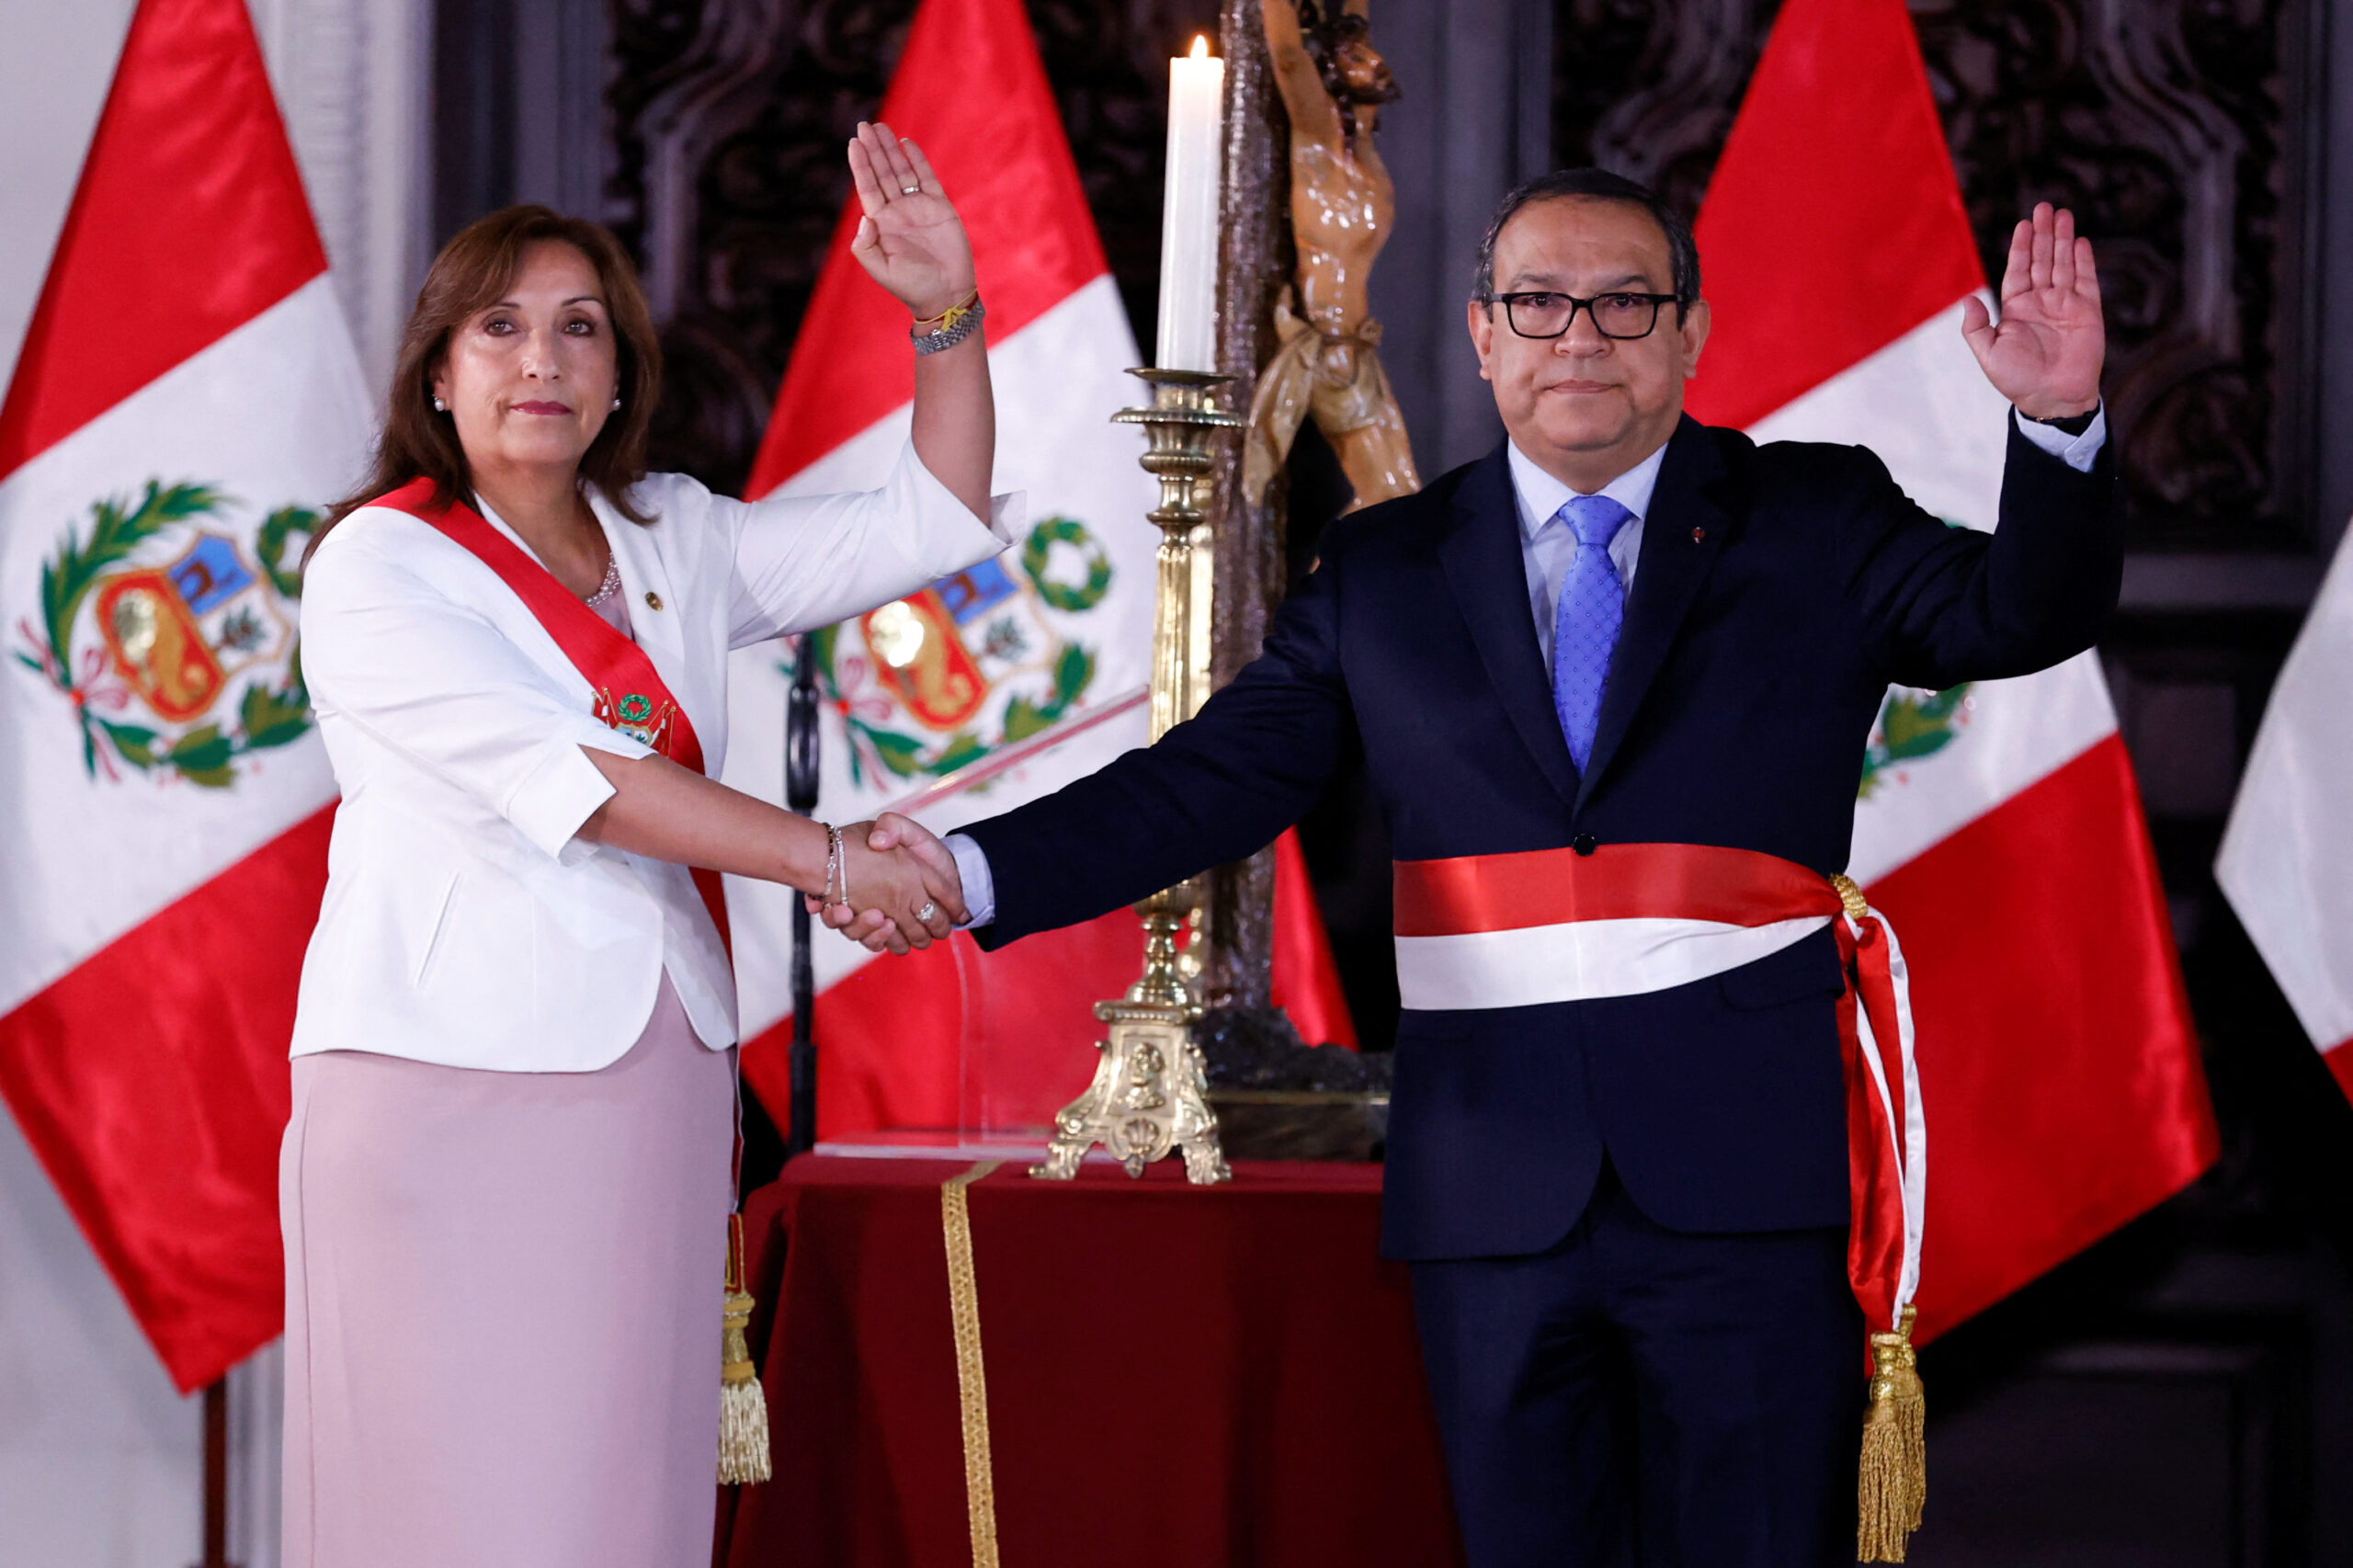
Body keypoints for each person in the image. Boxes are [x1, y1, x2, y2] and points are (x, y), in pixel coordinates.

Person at [842, 170, 2117, 1566]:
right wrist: (967, 869)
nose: (1582, 333)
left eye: (1626, 302)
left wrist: (2054, 423)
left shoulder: (1813, 516)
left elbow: (2020, 611)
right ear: (1482, 333)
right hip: (1490, 1194)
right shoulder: (1383, 567)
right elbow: (1212, 780)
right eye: (1540, 302)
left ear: (1689, 333)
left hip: (1746, 1177)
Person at [281, 123, 987, 1568]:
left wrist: (943, 313)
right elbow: (584, 782)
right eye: (501, 328)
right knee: (448, 1499)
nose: (540, 359)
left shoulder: (674, 532)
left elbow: (938, 513)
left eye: (578, 329)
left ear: (616, 380)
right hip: (439, 1078)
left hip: (653, 1074)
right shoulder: (379, 563)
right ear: (439, 372)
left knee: (616, 1493)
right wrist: (831, 859)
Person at [1243, 0, 1420, 510]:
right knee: (1390, 495)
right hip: (1325, 354)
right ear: (1333, 73)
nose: (1376, 62)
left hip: (1355, 351)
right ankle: (1336, 585)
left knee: (1395, 494)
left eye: (1368, 53)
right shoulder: (1317, 144)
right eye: (1358, 58)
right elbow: (1287, 54)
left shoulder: (1362, 149)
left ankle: (1341, 582)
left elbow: (1353, 19)